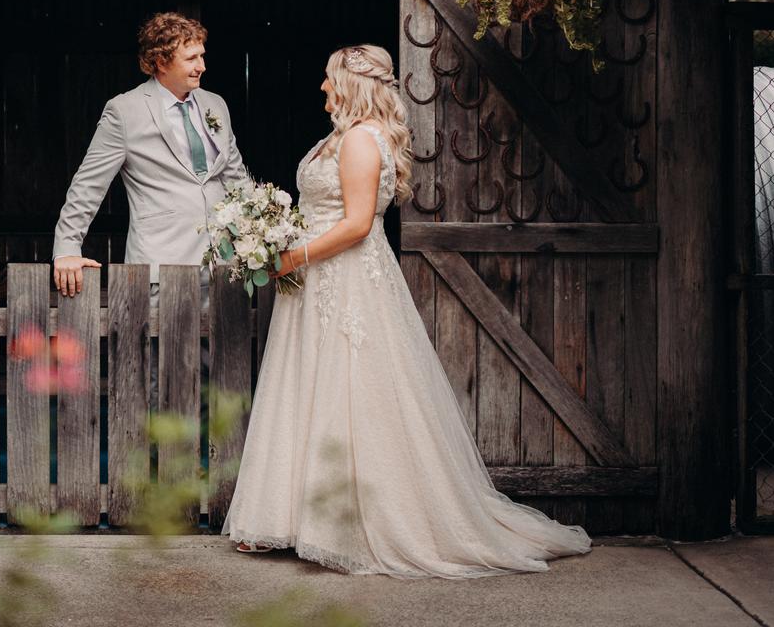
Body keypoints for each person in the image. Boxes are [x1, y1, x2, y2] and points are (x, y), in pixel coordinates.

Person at [223, 44, 592, 577]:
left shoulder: (359, 142)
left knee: (349, 391)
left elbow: (355, 226)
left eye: (329, 80)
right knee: (307, 384)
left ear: (350, 85)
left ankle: (346, 525)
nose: (323, 88)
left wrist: (288, 256)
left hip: (344, 280)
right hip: (317, 282)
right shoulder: (344, 137)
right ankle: (290, 517)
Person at [52, 12, 251, 297]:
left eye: (202, 56)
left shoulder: (215, 104)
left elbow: (236, 178)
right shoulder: (125, 111)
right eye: (191, 59)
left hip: (226, 268)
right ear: (160, 61)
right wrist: (67, 248)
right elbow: (88, 185)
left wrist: (263, 234)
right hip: (163, 268)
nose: (202, 66)